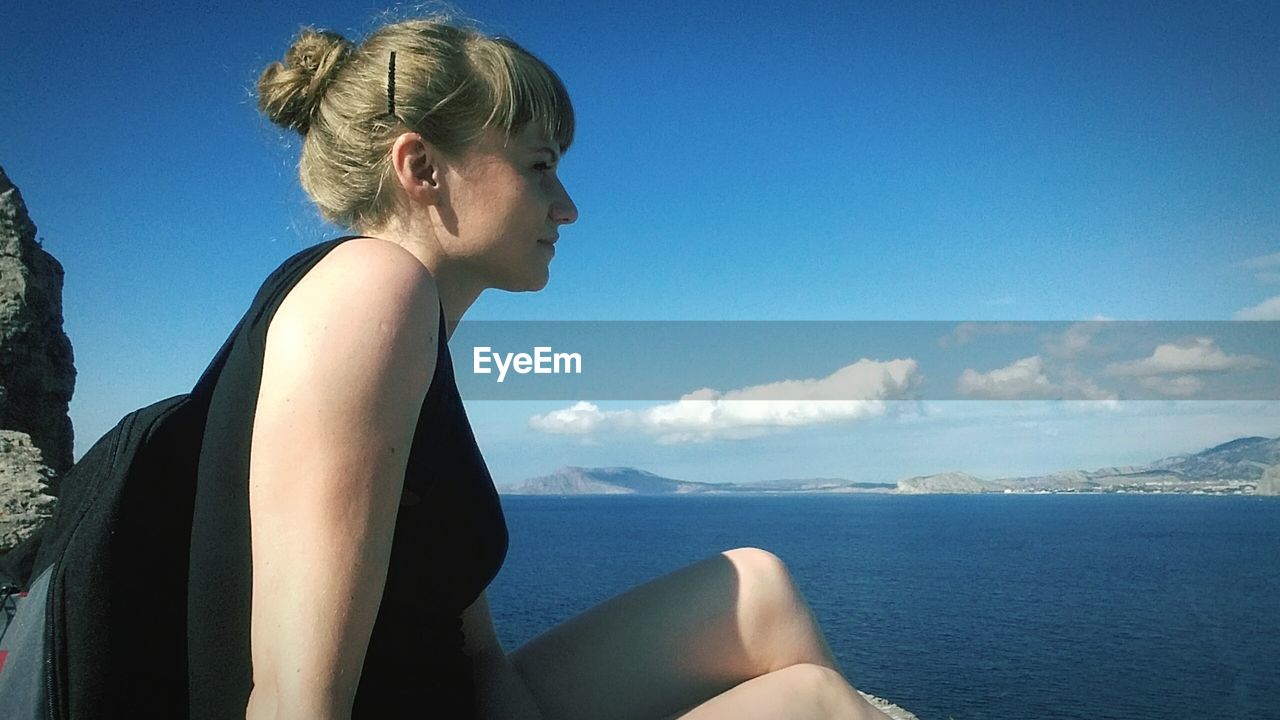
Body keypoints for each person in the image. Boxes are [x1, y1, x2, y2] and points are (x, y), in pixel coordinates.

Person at [210, 11, 895, 720]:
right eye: (539, 167)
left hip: (451, 697)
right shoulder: (369, 289)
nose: (566, 208)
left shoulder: (413, 341)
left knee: (758, 588)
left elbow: (472, 653)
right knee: (814, 702)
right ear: (421, 168)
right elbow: (294, 700)